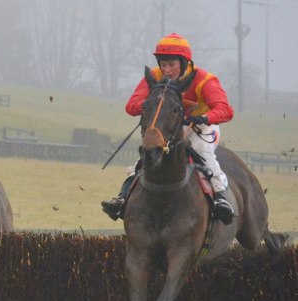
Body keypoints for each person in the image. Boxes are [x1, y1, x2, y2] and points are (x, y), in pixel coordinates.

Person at [101, 33, 235, 224]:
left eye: (171, 64)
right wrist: (153, 105)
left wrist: (204, 117)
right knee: (149, 153)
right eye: (163, 64)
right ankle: (123, 198)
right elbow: (131, 106)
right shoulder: (154, 76)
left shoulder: (205, 80)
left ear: (184, 62)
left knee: (202, 151)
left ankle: (221, 198)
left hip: (201, 126)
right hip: (171, 126)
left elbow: (226, 110)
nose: (167, 70)